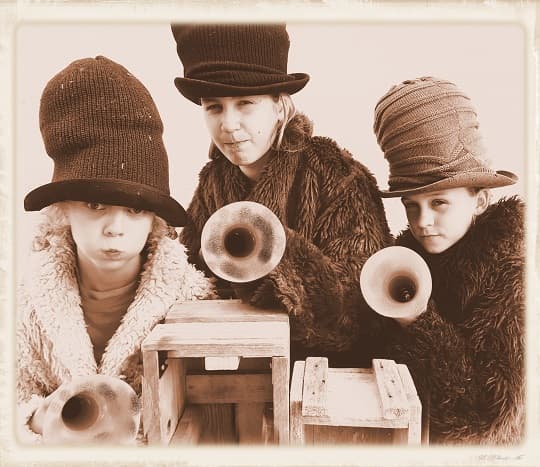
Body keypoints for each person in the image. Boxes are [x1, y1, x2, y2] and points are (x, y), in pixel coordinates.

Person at [17, 56, 216, 443]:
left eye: (136, 210)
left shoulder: (192, 302)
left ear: (155, 219)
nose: (116, 228)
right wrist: (37, 421)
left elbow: (216, 416)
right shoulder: (24, 306)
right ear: (64, 210)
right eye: (96, 205)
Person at [170, 23, 393, 368]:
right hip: (245, 374)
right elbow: (190, 285)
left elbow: (357, 314)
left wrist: (268, 246)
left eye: (245, 103)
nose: (228, 124)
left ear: (279, 106)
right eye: (214, 107)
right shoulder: (212, 182)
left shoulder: (338, 176)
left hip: (331, 375)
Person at [373, 76, 524, 444]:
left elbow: (486, 421)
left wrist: (420, 323)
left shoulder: (513, 278)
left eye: (439, 202)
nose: (423, 221)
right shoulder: (404, 260)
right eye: (411, 205)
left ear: (480, 200)